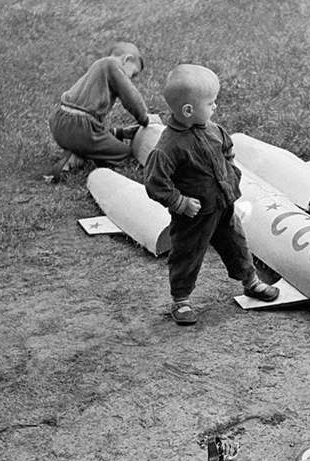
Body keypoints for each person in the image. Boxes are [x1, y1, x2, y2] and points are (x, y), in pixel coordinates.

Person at [145, 64, 279, 326]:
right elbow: (155, 182)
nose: (215, 107)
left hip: (223, 206)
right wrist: (180, 203)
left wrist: (232, 173)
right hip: (193, 217)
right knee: (187, 254)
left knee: (237, 244)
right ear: (188, 110)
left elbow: (227, 150)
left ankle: (250, 282)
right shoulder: (168, 147)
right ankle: (181, 300)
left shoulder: (214, 129)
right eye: (211, 102)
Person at [48, 41, 151, 181]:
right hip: (78, 127)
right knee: (123, 152)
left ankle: (75, 152)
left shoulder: (98, 68)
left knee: (90, 136)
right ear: (127, 59)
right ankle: (80, 156)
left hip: (59, 121)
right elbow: (131, 97)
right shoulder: (112, 65)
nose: (130, 80)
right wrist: (144, 118)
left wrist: (119, 132)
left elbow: (91, 121)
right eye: (133, 74)